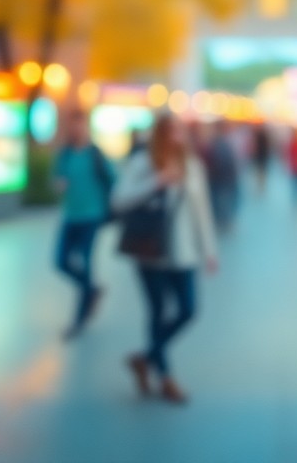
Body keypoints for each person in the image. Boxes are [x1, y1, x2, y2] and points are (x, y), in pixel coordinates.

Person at [112, 112, 218, 406]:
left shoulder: (193, 167)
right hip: (150, 253)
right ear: (159, 135)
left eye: (180, 131)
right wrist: (156, 181)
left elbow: (202, 211)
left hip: (184, 254)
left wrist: (209, 250)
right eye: (170, 132)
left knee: (188, 310)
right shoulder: (141, 164)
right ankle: (166, 377)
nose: (177, 137)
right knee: (157, 312)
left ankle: (144, 358)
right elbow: (119, 200)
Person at [53, 110, 116, 340]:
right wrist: (60, 185)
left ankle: (79, 319)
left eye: (79, 125)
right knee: (61, 261)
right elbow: (58, 178)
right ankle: (91, 290)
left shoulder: (95, 154)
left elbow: (112, 179)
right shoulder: (65, 154)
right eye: (72, 125)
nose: (75, 130)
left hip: (92, 216)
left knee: (85, 264)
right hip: (70, 215)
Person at [203, 120, 240, 234]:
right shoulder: (220, 143)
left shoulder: (219, 143)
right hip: (222, 177)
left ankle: (223, 220)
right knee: (222, 200)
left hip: (222, 177)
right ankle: (223, 220)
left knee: (222, 200)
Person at [251, 124, 272, 195]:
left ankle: (260, 187)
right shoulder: (263, 137)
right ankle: (261, 186)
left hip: (261, 157)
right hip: (261, 157)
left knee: (260, 173)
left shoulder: (259, 137)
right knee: (261, 173)